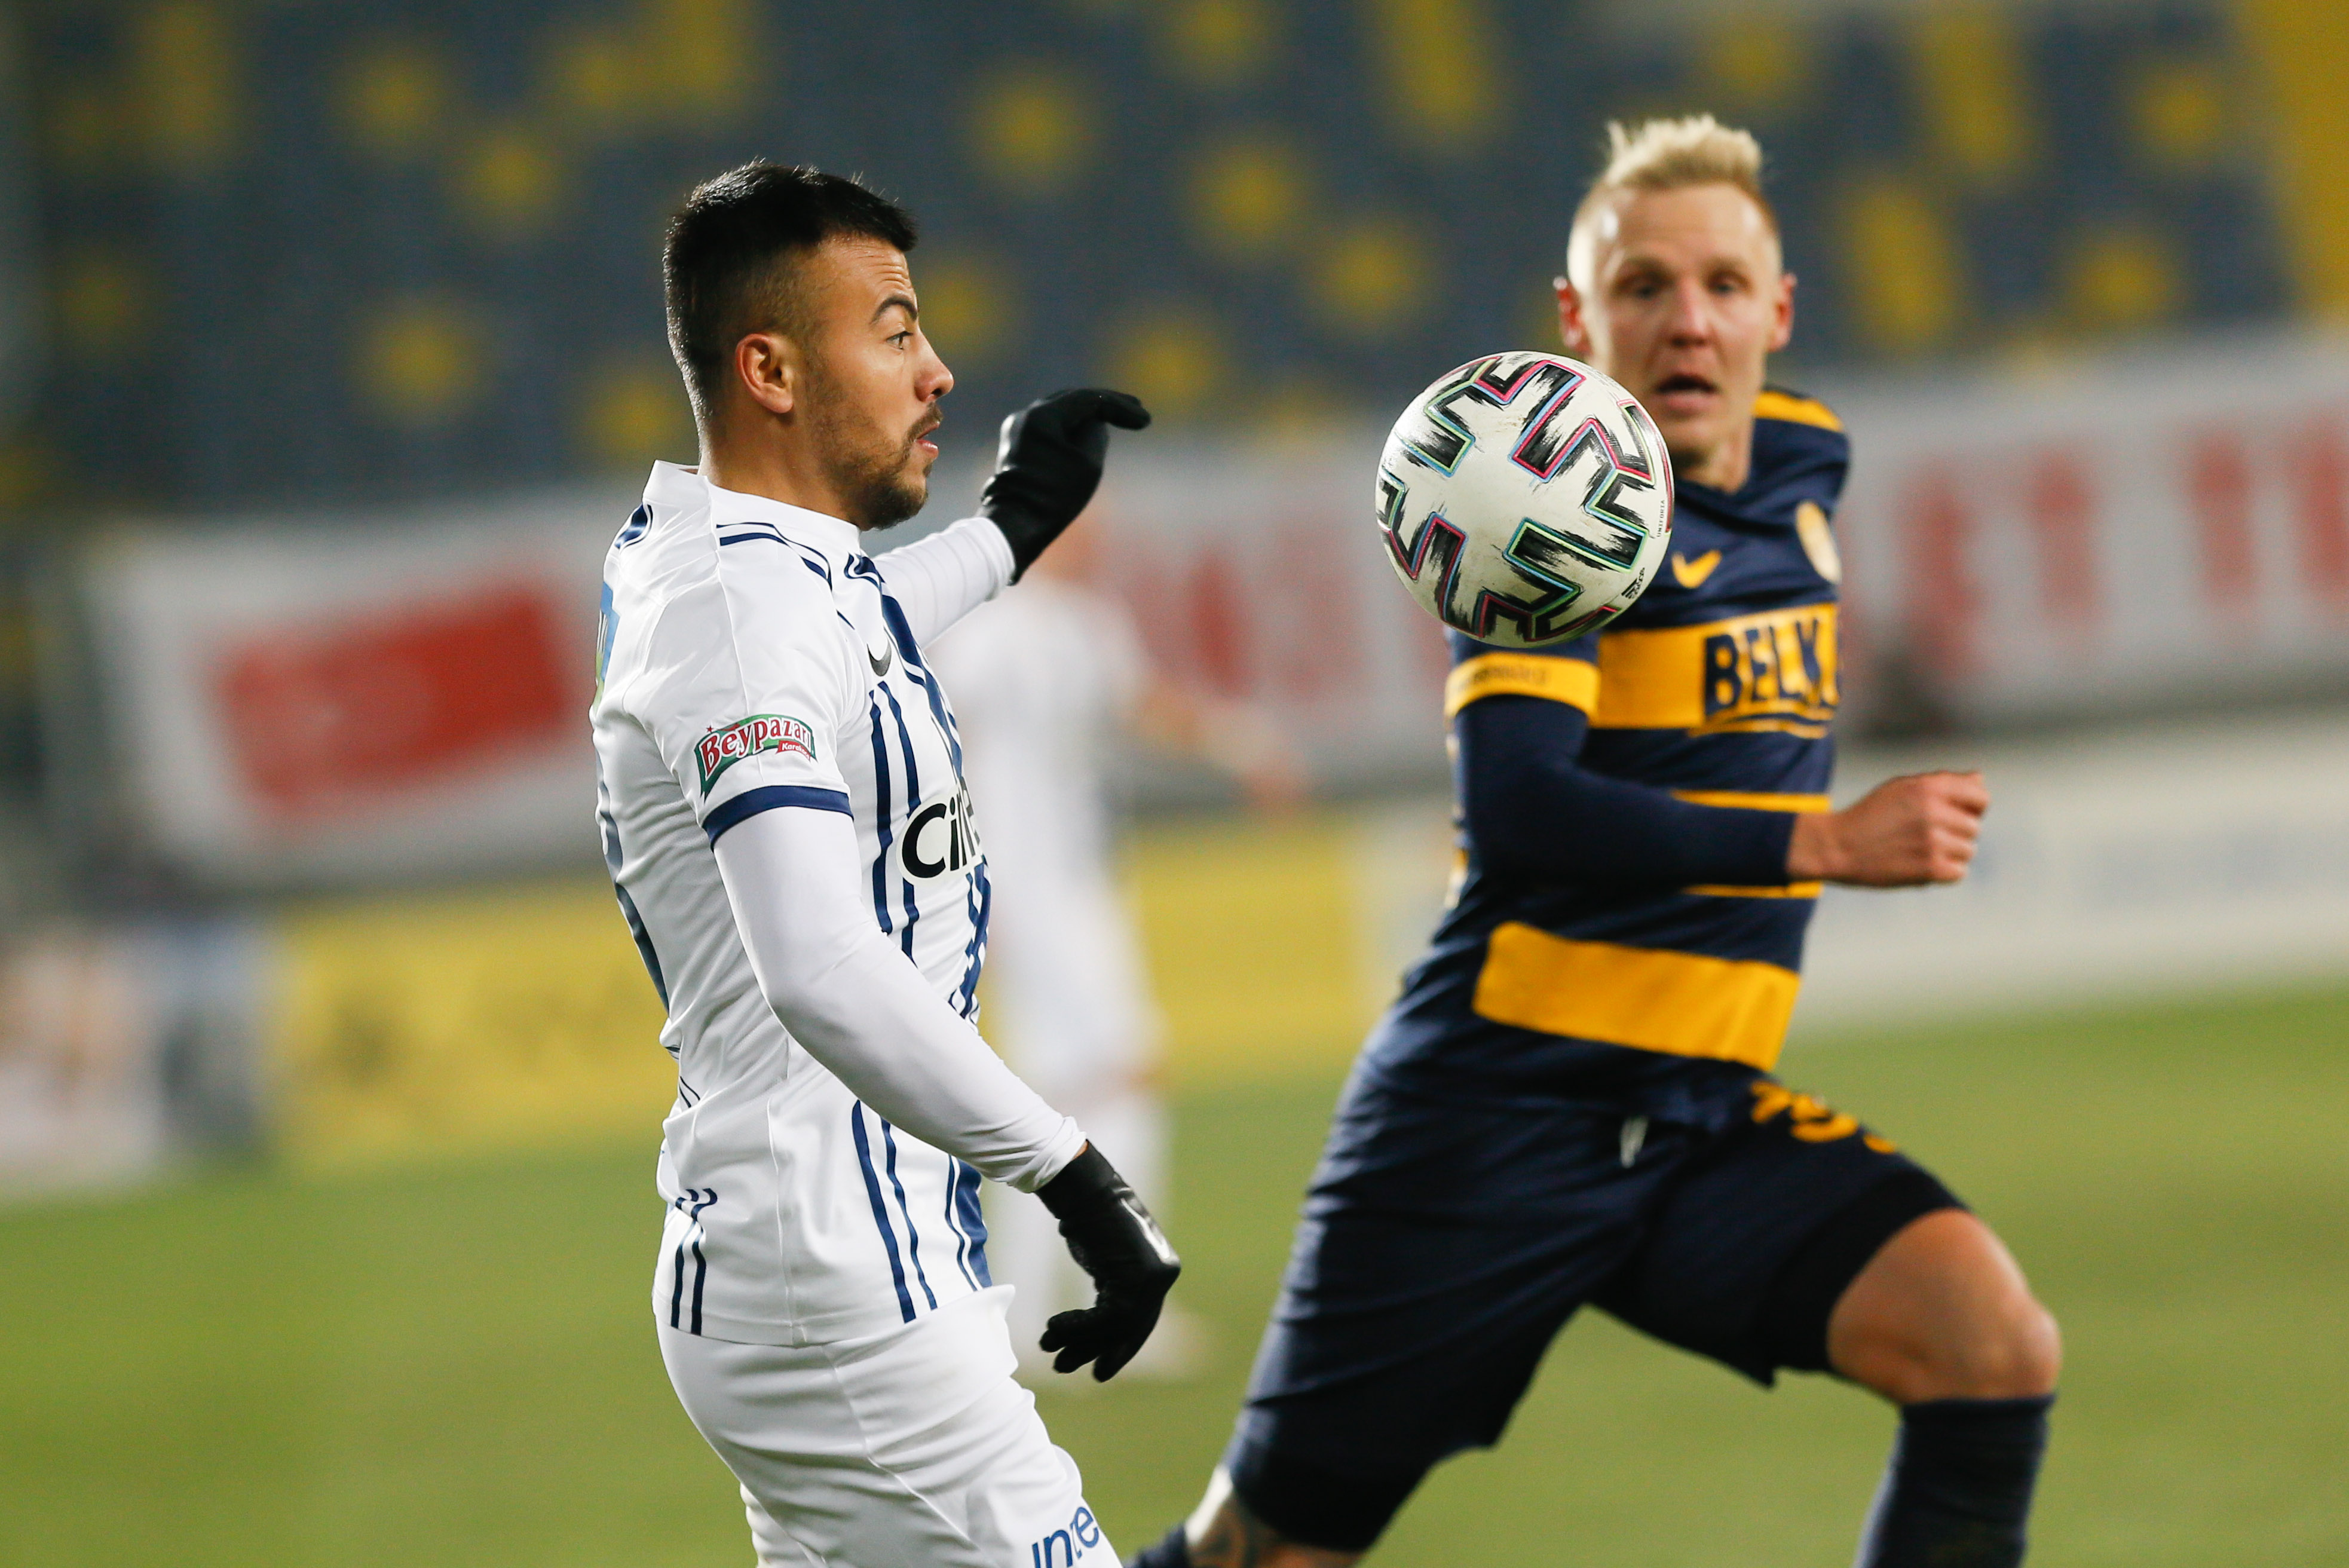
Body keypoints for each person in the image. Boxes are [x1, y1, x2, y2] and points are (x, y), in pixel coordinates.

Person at [1130, 115, 2061, 1568]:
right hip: (1493, 1119)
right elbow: (1521, 808)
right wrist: (1816, 841)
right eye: (1642, 287)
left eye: (1721, 285)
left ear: (1777, 310)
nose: (1686, 320)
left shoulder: (1803, 461)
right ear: (1578, 320)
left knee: (1986, 1342)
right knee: (1264, 1554)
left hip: (1691, 1113)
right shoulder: (1550, 517)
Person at [590, 161, 1177, 1568]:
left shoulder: (750, 571)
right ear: (772, 370)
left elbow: (853, 626)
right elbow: (820, 966)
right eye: (896, 330)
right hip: (840, 1291)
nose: (938, 371)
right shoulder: (738, 613)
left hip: (821, 1266)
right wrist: (1073, 1175)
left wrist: (1010, 530)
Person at [929, 521, 1300, 1374]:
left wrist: (1241, 745)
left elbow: (1144, 708)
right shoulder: (990, 630)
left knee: (1066, 1091)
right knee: (1121, 1074)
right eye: (1082, 523)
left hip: (1075, 880)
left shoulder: (1086, 626)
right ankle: (1105, 1299)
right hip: (1024, 887)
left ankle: (1043, 1308)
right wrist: (957, 886)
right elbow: (936, 745)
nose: (1095, 538)